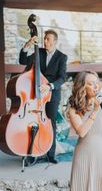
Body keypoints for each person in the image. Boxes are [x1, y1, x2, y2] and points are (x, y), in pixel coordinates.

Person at [19, 29, 67, 163]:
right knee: (32, 121)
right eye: (44, 38)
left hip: (51, 94)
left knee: (50, 123)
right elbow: (23, 61)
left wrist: (50, 86)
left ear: (55, 42)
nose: (45, 41)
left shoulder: (62, 57)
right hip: (36, 93)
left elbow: (62, 78)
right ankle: (31, 151)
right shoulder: (38, 52)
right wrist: (26, 46)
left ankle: (50, 154)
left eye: (48, 39)